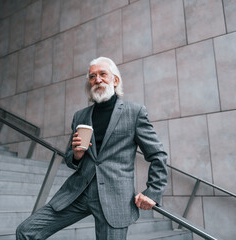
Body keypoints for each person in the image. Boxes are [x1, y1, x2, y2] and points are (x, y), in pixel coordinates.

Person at [16, 57, 168, 240]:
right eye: (92, 76)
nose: (97, 79)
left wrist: (153, 191)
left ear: (115, 80)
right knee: (26, 231)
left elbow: (157, 154)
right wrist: (77, 156)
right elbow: (70, 159)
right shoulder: (80, 116)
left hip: (115, 198)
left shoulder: (134, 113)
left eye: (103, 74)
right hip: (77, 193)